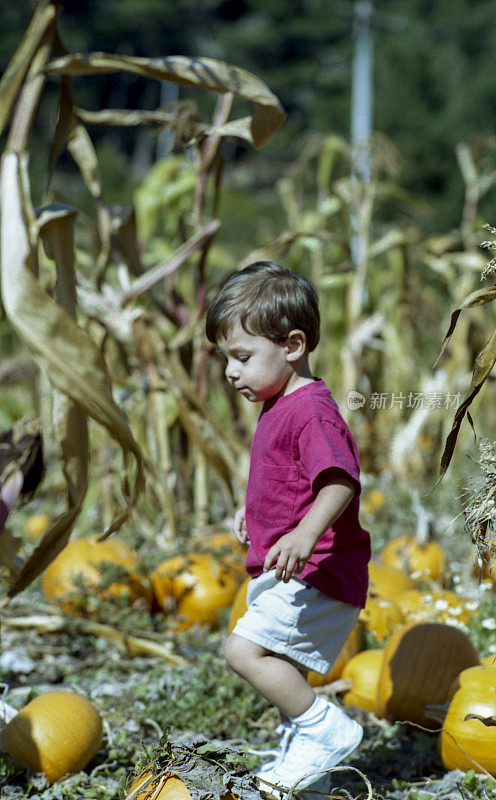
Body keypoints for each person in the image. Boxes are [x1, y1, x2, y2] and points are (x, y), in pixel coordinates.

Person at [205, 261, 371, 795]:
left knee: (243, 651)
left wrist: (302, 535)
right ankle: (314, 777)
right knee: (278, 667)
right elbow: (288, 480)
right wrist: (251, 515)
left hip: (320, 569)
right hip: (294, 569)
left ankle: (327, 730)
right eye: (226, 358)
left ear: (293, 345)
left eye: (242, 357)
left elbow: (340, 482)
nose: (231, 372)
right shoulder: (279, 405)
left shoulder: (312, 411)